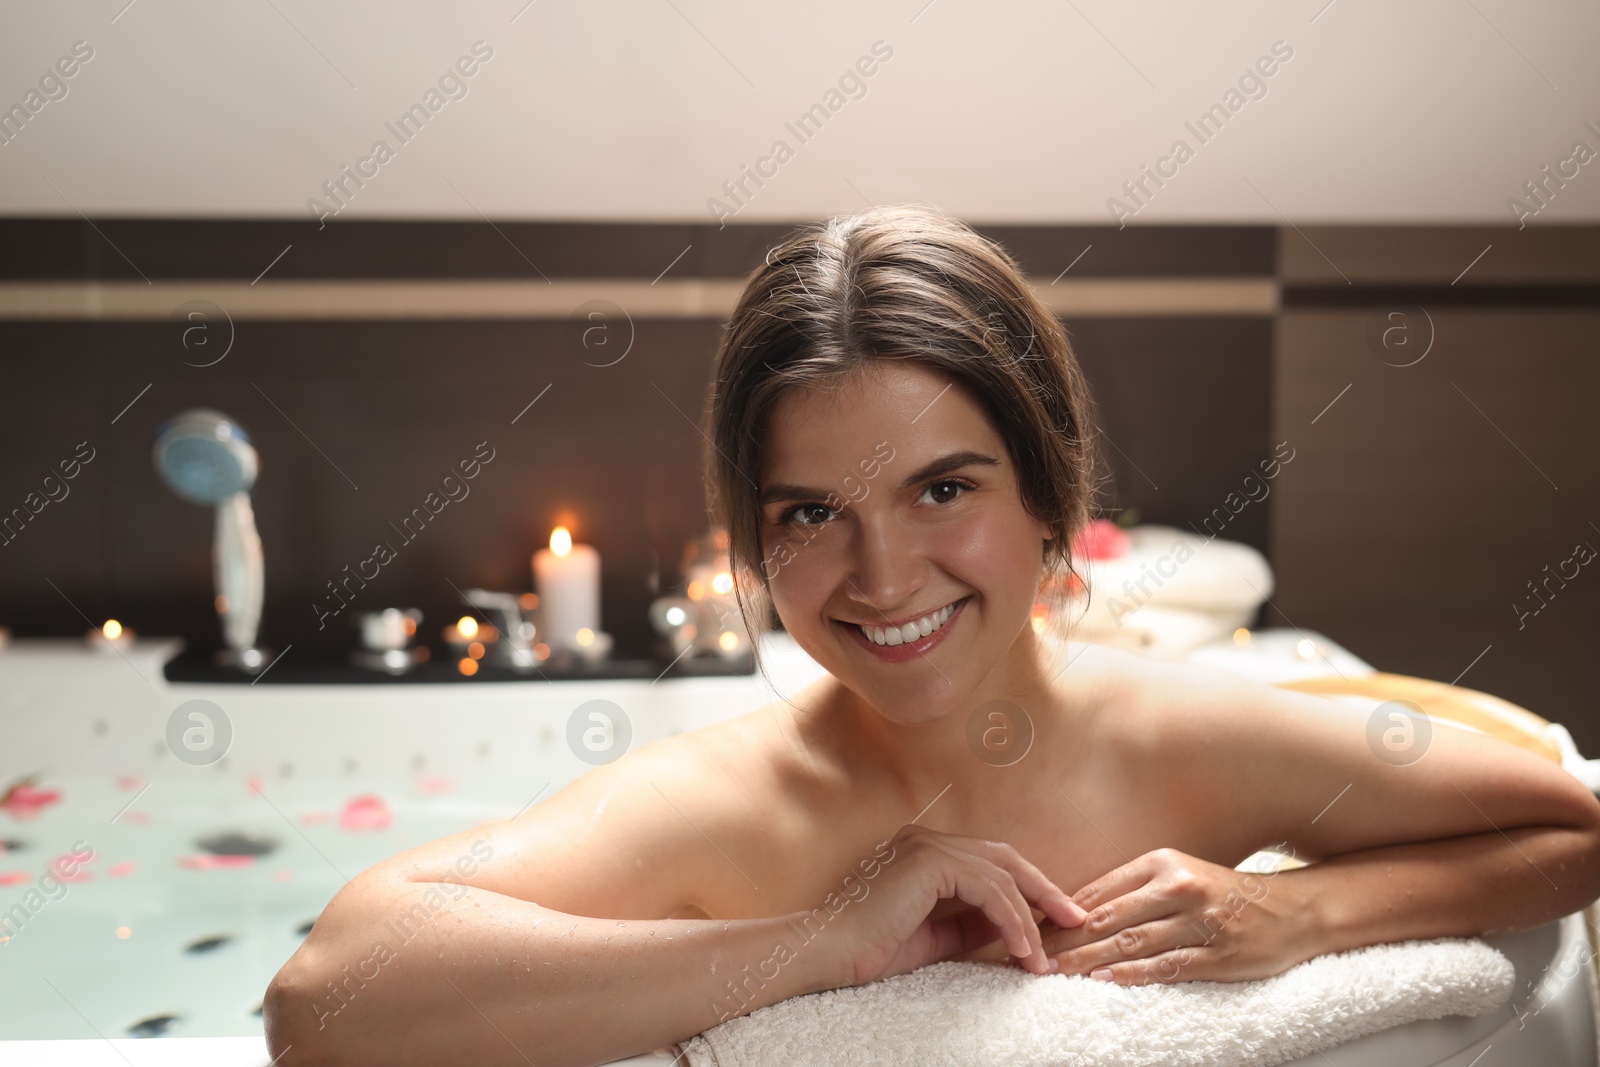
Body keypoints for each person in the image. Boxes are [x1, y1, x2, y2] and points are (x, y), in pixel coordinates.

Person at [264, 205, 1600, 1067]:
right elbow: (325, 996)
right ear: (753, 538)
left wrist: (1298, 910)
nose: (882, 574)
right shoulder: (736, 800)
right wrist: (828, 941)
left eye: (942, 489)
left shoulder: (1181, 733)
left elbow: (1575, 827)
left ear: (1050, 498)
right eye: (811, 513)